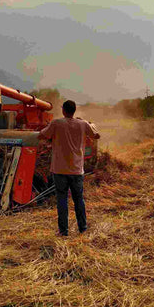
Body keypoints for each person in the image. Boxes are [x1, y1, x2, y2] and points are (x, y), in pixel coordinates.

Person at [39, 100, 100, 237]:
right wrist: (89, 124)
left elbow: (41, 135)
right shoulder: (82, 124)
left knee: (62, 200)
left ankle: (63, 231)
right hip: (77, 170)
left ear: (63, 111)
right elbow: (97, 135)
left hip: (59, 170)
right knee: (79, 199)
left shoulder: (56, 123)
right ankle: (83, 229)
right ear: (74, 110)